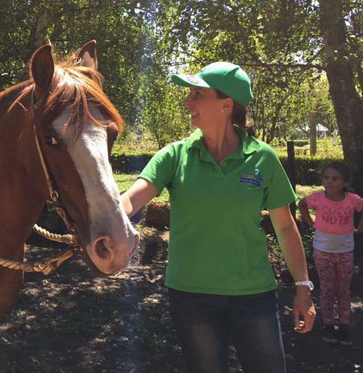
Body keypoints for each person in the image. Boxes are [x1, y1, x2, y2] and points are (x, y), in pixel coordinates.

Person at [121, 62, 316, 373]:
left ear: (226, 105)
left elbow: (285, 226)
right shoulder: (175, 155)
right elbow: (134, 197)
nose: (188, 102)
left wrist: (303, 289)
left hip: (254, 296)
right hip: (192, 296)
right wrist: (103, 217)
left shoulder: (262, 158)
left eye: (197, 95)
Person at [298, 162, 363, 345]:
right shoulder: (318, 198)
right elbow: (301, 204)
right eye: (326, 178)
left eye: (335, 179)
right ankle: (328, 324)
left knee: (343, 290)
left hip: (345, 252)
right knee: (327, 290)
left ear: (345, 182)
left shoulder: (352, 200)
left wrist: (359, 228)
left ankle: (344, 325)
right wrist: (311, 223)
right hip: (322, 252)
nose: (329, 182)